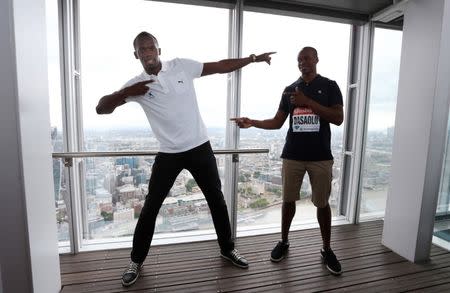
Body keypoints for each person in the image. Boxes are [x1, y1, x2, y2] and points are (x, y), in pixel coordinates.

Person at [96, 31, 275, 287]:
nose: (147, 53)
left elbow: (220, 66)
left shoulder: (180, 66)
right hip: (168, 153)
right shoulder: (136, 84)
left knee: (217, 200)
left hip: (199, 147)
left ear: (159, 49)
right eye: (142, 50)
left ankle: (227, 249)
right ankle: (136, 261)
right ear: (136, 55)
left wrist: (253, 58)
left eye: (151, 47)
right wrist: (128, 91)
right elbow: (101, 108)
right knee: (150, 208)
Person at [231, 46, 343, 275]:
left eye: (307, 58)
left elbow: (338, 118)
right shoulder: (289, 90)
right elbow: (277, 122)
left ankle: (327, 249)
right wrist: (252, 122)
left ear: (317, 60)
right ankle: (283, 241)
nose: (303, 63)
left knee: (322, 204)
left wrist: (308, 101)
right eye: (299, 60)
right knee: (288, 201)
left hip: (321, 156)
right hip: (292, 155)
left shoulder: (330, 86)